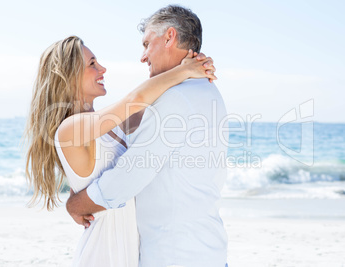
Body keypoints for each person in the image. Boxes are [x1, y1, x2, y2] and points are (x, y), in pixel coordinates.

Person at [24, 35, 216, 267]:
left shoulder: (108, 128)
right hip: (102, 255)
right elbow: (137, 99)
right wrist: (185, 71)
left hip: (126, 254)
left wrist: (187, 66)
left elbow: (150, 104)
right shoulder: (70, 128)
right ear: (67, 76)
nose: (102, 68)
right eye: (92, 64)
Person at [66, 5, 229, 267]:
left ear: (169, 37)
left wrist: (76, 205)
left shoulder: (176, 98)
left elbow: (129, 175)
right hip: (203, 251)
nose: (143, 56)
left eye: (146, 44)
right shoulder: (204, 91)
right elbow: (127, 118)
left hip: (176, 257)